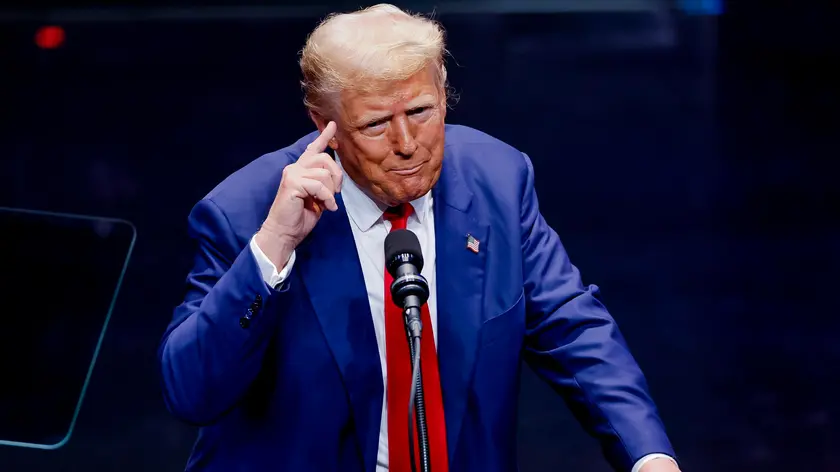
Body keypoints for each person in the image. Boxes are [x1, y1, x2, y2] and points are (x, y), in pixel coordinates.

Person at [158, 4, 679, 472]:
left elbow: (572, 327)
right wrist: (273, 246)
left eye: (421, 112)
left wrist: (648, 457)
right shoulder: (246, 210)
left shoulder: (496, 179)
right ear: (324, 123)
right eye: (377, 124)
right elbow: (190, 392)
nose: (408, 144)